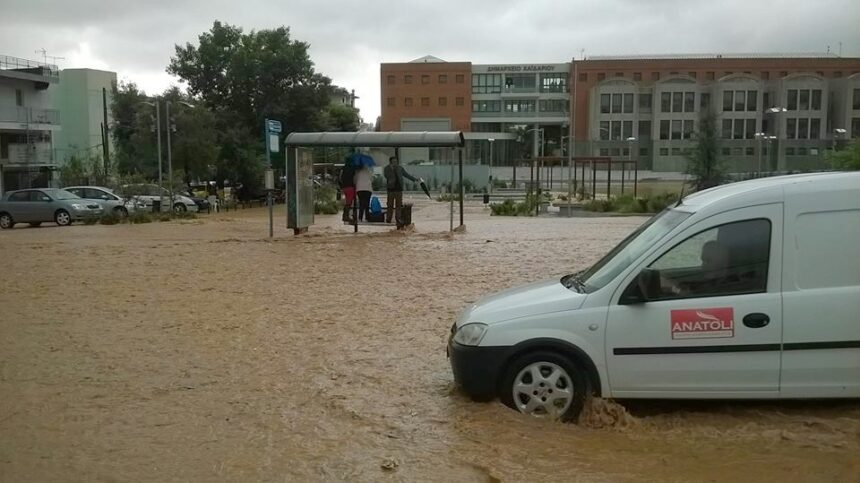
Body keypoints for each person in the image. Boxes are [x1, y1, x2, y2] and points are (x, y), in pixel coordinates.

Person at [383, 156, 422, 223]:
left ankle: (398, 218)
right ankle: (388, 218)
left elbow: (406, 175)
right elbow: (386, 176)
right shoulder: (387, 168)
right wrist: (392, 170)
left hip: (399, 189)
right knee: (390, 205)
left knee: (398, 204)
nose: (395, 163)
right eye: (393, 161)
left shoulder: (400, 168)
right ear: (390, 162)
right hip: (391, 189)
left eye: (396, 161)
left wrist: (414, 179)